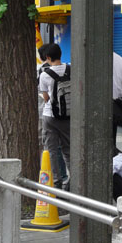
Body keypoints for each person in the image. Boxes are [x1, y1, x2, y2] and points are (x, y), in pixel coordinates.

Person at [39, 43, 70, 188]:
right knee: (68, 149)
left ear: (47, 57)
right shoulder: (71, 69)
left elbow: (46, 98)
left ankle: (56, 181)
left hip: (50, 116)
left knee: (51, 150)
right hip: (68, 115)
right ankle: (73, 179)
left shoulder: (45, 74)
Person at [113, 51, 122, 144]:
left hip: (92, 108)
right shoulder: (121, 60)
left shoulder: (89, 58)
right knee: (111, 142)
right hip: (114, 107)